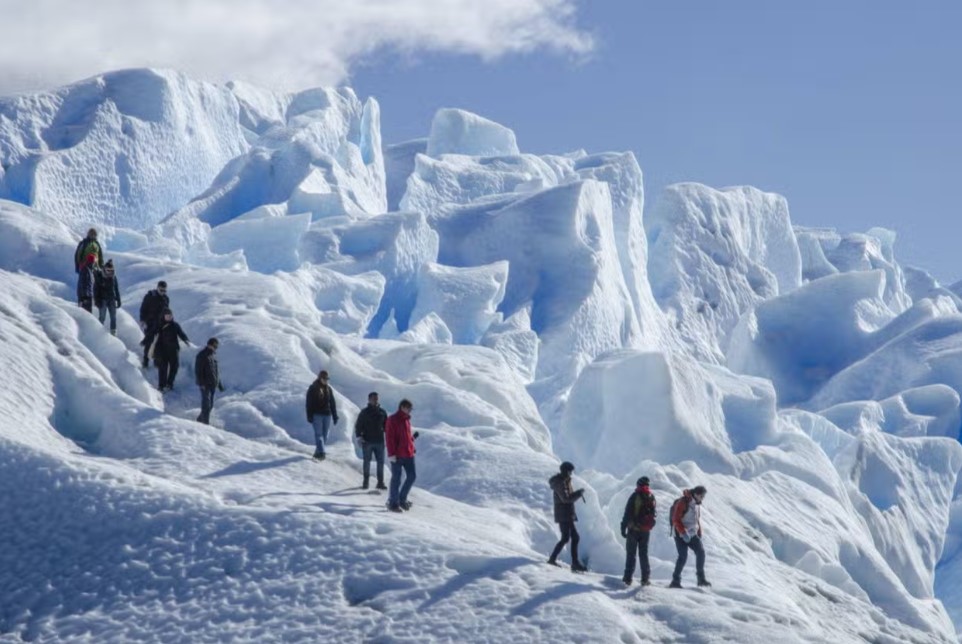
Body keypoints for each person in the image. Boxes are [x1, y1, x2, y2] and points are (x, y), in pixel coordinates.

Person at [547, 461, 587, 572]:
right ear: (566, 471)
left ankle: (573, 563)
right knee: (568, 538)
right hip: (564, 514)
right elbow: (566, 499)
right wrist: (579, 493)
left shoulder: (564, 481)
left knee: (571, 537)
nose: (571, 474)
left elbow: (567, 497)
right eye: (570, 471)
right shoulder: (560, 483)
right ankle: (565, 561)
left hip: (566, 514)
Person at [670, 485, 711, 588]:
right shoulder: (683, 502)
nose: (703, 499)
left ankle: (701, 579)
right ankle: (675, 581)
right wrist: (683, 533)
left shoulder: (697, 505)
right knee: (683, 557)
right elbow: (675, 519)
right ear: (696, 494)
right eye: (702, 496)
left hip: (692, 534)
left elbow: (696, 520)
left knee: (701, 552)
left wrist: (699, 532)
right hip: (680, 534)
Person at [621, 476, 656, 586]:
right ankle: (645, 579)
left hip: (634, 530)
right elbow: (654, 514)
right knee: (643, 554)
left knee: (631, 554)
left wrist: (623, 527)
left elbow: (627, 513)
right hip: (645, 531)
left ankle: (628, 578)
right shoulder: (651, 496)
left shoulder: (634, 496)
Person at [386, 399, 417, 512]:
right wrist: (391, 454)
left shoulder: (407, 420)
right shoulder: (392, 419)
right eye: (409, 408)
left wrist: (412, 446)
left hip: (408, 454)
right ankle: (393, 503)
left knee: (412, 476)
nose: (410, 411)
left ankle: (402, 499)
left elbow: (407, 437)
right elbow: (389, 438)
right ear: (402, 407)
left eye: (411, 409)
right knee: (396, 479)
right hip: (397, 455)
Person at [355, 392, 388, 490]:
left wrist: (390, 437)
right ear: (369, 400)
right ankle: (365, 482)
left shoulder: (382, 412)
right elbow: (358, 426)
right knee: (367, 462)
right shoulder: (364, 412)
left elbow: (387, 427)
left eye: (376, 398)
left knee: (380, 462)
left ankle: (380, 482)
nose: (375, 400)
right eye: (373, 398)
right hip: (367, 441)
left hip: (379, 441)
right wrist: (359, 437)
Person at [152, 308, 189, 392]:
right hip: (162, 351)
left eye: (170, 316)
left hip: (174, 350)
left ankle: (169, 384)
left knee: (174, 367)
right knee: (163, 368)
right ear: (164, 316)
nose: (169, 317)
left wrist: (186, 340)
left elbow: (181, 334)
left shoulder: (175, 325)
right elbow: (154, 337)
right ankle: (161, 386)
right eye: (167, 316)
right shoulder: (159, 325)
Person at [305, 370, 339, 461]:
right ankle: (322, 453)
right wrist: (309, 415)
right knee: (319, 434)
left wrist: (335, 415)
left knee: (325, 435)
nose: (326, 380)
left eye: (327, 379)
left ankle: (317, 452)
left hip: (327, 415)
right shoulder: (313, 388)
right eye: (324, 378)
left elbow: (332, 402)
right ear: (320, 378)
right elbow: (309, 403)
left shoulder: (328, 389)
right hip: (317, 415)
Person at [139, 281, 169, 368]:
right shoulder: (150, 296)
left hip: (161, 324)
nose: (163, 292)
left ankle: (157, 360)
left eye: (164, 291)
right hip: (150, 322)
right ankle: (145, 360)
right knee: (149, 341)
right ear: (157, 288)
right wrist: (142, 320)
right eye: (161, 290)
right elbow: (143, 308)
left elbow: (167, 311)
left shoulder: (166, 299)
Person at [194, 338, 223, 424]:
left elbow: (215, 371)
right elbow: (198, 370)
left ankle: (200, 420)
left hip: (213, 384)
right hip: (205, 384)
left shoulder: (213, 356)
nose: (215, 348)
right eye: (215, 346)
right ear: (211, 344)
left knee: (210, 405)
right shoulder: (202, 355)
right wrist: (201, 383)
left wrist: (219, 384)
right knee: (206, 405)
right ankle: (205, 424)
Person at [94, 259, 122, 335]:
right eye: (108, 270)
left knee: (113, 318)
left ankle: (113, 334)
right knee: (102, 317)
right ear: (104, 269)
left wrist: (118, 300)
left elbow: (116, 288)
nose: (110, 272)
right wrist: (97, 300)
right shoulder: (100, 277)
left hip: (112, 299)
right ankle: (98, 333)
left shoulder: (113, 277)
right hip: (103, 300)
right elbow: (96, 289)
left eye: (111, 270)